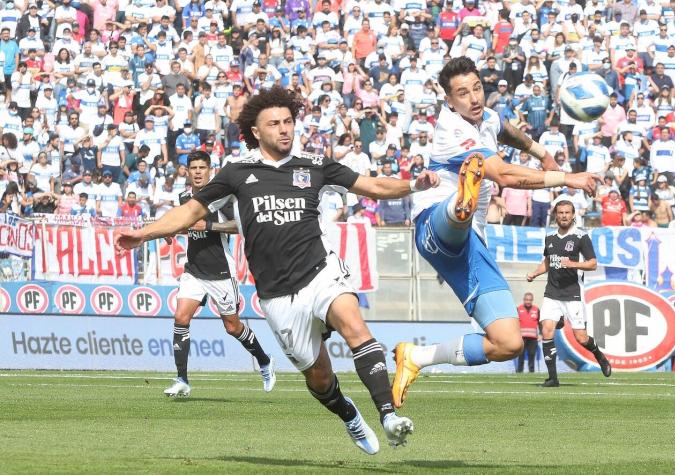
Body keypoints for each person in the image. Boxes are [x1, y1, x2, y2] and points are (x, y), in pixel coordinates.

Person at [116, 87, 441, 453]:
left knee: (354, 325)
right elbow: (189, 213)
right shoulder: (236, 174)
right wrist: (143, 233)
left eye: (288, 122)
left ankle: (387, 415)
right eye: (274, 124)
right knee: (319, 378)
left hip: (320, 271)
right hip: (276, 295)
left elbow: (374, 186)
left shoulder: (314, 166)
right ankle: (348, 413)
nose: (284, 129)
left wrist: (414, 184)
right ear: (256, 131)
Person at [392, 57, 601, 408]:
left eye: (477, 88)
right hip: (433, 224)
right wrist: (567, 177)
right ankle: (462, 202)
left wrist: (542, 152)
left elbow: (505, 130)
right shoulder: (452, 129)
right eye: (463, 93)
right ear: (449, 101)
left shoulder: (485, 117)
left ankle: (416, 356)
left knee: (508, 343)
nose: (474, 98)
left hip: (473, 245)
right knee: (460, 208)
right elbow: (504, 176)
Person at [163, 152, 276, 398]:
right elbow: (182, 222)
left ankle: (265, 361)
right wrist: (170, 230)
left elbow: (241, 225)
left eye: (202, 167)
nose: (197, 172)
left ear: (210, 170)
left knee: (233, 327)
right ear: (187, 171)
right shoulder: (184, 197)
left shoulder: (222, 198)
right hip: (194, 271)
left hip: (221, 273)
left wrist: (210, 226)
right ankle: (182, 379)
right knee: (181, 318)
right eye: (193, 168)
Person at [526, 200, 612, 387]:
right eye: (560, 212)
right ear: (555, 215)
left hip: (573, 292)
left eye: (567, 212)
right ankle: (552, 378)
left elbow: (592, 263)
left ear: (573, 215)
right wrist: (534, 272)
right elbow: (548, 262)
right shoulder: (549, 237)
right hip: (552, 292)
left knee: (581, 338)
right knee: (546, 329)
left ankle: (598, 354)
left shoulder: (581, 237)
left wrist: (573, 264)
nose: (564, 215)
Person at [516, 292, 539, 374]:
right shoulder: (518, 309)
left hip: (533, 338)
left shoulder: (536, 310)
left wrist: (541, 334)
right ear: (524, 300)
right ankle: (519, 372)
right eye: (526, 300)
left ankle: (531, 372)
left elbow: (540, 323)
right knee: (520, 355)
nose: (528, 302)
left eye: (529, 300)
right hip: (521, 338)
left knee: (531, 355)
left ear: (532, 300)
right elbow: (515, 323)